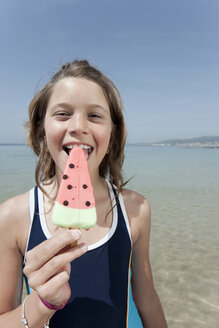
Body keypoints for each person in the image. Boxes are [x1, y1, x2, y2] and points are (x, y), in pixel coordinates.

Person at [0, 60, 167, 327]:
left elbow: (146, 297)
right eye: (63, 114)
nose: (78, 126)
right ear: (42, 130)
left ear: (112, 133)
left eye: (95, 115)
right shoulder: (13, 216)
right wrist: (41, 305)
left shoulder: (135, 210)